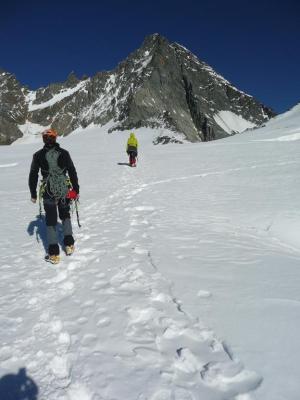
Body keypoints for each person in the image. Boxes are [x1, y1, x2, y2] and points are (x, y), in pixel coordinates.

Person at [28, 128, 79, 264]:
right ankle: (69, 244)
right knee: (65, 214)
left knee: (51, 220)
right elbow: (72, 171)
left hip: (48, 190)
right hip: (64, 189)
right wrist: (76, 189)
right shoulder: (64, 153)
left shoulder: (37, 155)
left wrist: (33, 193)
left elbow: (33, 175)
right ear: (55, 138)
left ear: (44, 139)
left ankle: (54, 253)